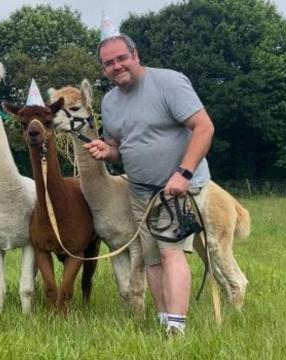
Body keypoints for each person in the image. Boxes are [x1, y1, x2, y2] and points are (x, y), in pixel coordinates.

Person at [85, 34, 214, 336]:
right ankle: (164, 320)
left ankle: (176, 330)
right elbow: (120, 146)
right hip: (140, 189)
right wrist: (108, 152)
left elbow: (204, 127)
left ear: (135, 54)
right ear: (103, 69)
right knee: (152, 257)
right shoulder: (110, 101)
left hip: (177, 187)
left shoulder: (169, 83)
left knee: (170, 252)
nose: (116, 66)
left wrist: (183, 173)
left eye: (121, 58)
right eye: (108, 63)